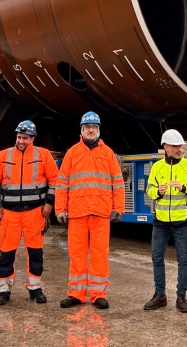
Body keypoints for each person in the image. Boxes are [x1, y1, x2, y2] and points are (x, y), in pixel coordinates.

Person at [54, 111, 125, 309]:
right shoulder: (72, 153)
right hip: (77, 213)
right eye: (87, 127)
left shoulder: (108, 153)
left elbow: (117, 183)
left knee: (99, 255)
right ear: (82, 130)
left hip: (101, 212)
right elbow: (62, 183)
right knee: (76, 255)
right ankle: (76, 294)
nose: (91, 130)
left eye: (94, 127)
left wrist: (119, 207)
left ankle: (98, 294)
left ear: (99, 129)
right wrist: (60, 209)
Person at [0, 120, 59, 306]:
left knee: (35, 252)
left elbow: (54, 180)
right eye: (19, 137)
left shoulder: (43, 155)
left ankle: (35, 288)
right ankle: (4, 290)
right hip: (9, 214)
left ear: (32, 139)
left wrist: (49, 204)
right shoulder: (4, 155)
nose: (20, 141)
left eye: (25, 138)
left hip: (35, 213)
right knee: (6, 253)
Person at [143, 129, 187, 313]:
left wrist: (184, 187)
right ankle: (160, 295)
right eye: (175, 146)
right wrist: (158, 191)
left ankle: (181, 296)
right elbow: (149, 191)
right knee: (156, 258)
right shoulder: (157, 167)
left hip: (182, 221)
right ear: (166, 147)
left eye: (180, 146)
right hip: (160, 221)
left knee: (183, 259)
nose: (179, 149)